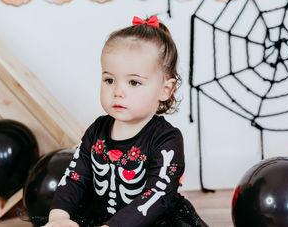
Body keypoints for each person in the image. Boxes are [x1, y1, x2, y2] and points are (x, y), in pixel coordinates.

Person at [43, 16, 208, 227]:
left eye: (134, 82)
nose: (118, 92)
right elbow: (75, 176)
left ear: (165, 89)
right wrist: (59, 216)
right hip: (99, 217)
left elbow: (157, 195)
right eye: (109, 80)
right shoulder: (96, 131)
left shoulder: (167, 140)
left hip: (152, 219)